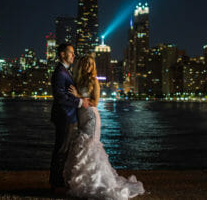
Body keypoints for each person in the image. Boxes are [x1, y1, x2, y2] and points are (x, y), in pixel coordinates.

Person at [64, 55, 145, 200]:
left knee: (89, 146)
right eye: (85, 64)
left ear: (93, 66)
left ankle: (96, 184)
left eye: (90, 64)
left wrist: (78, 96)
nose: (87, 66)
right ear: (81, 65)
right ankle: (82, 182)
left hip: (91, 117)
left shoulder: (94, 81)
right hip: (81, 117)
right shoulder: (78, 80)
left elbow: (95, 102)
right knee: (81, 147)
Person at [49, 43, 91, 194]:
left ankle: (58, 181)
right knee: (61, 150)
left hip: (68, 116)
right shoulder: (60, 72)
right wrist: (80, 102)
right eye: (71, 53)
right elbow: (60, 96)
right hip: (64, 116)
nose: (74, 55)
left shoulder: (65, 71)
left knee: (64, 150)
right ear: (62, 54)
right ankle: (56, 184)